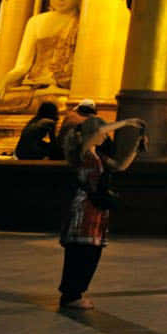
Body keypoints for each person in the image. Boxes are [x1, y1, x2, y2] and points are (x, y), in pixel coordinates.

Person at [58, 114, 146, 310]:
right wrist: (126, 123)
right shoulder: (83, 153)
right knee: (80, 253)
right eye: (104, 132)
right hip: (83, 210)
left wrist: (136, 147)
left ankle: (76, 293)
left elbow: (120, 166)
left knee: (91, 253)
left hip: (96, 210)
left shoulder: (98, 155)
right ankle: (71, 295)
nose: (106, 136)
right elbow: (98, 130)